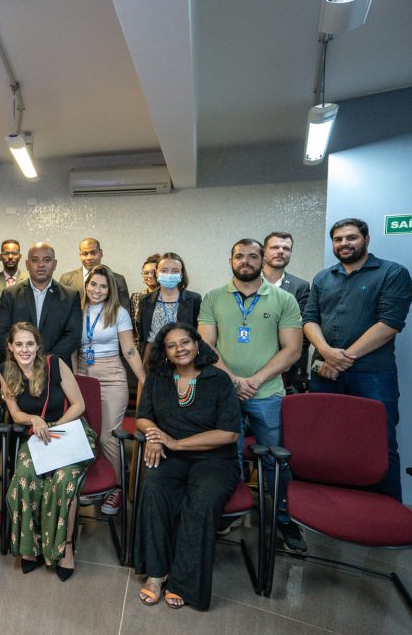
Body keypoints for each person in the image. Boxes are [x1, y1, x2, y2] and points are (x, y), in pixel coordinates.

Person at [198, 239, 304, 550]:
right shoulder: (213, 297)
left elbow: (293, 350)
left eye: (253, 256)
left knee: (274, 459)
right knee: (227, 456)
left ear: (262, 260)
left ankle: (284, 518)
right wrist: (234, 381)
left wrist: (254, 381)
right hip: (225, 394)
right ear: (230, 260)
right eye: (239, 256)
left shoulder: (284, 299)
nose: (246, 261)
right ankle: (233, 511)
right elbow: (205, 345)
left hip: (267, 393)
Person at [302, 217, 412, 501]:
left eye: (351, 237)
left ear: (366, 239)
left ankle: (388, 510)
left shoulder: (392, 273)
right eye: (338, 239)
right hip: (323, 373)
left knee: (379, 442)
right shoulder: (323, 277)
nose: (344, 243)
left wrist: (342, 358)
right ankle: (330, 506)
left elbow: (390, 323)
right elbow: (309, 319)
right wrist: (326, 352)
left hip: (372, 375)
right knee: (325, 440)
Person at [133, 323, 241, 611]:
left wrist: (176, 443)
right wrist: (155, 435)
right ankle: (156, 574)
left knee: (201, 502)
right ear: (165, 352)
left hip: (215, 460)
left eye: (185, 342)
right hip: (170, 455)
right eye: (171, 345)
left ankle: (183, 581)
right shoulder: (157, 379)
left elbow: (229, 434)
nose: (179, 349)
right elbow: (142, 417)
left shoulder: (218, 380)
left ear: (197, 344)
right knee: (153, 489)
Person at [2, 323, 90, 581]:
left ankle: (66, 548)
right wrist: (34, 419)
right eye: (19, 344)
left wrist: (54, 428)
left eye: (30, 344)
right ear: (10, 347)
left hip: (67, 430)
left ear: (38, 346)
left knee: (63, 480)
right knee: (24, 476)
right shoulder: (6, 371)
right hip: (36, 435)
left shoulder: (55, 364)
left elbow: (79, 405)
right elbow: (15, 413)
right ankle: (29, 546)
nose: (24, 350)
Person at [74, 265, 146, 515]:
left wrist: (143, 378)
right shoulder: (77, 310)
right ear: (86, 285)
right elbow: (72, 347)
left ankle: (116, 487)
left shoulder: (119, 312)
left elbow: (129, 349)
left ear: (110, 290)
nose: (97, 290)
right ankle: (95, 482)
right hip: (83, 375)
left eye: (103, 286)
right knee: (87, 434)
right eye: (93, 284)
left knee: (108, 436)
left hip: (112, 376)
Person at [0, 242, 82, 363]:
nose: (41, 264)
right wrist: (22, 357)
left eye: (47, 260)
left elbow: (73, 335)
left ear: (55, 264)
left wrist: (47, 361)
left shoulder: (70, 296)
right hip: (18, 366)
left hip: (56, 367)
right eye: (35, 260)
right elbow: (1, 332)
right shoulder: (10, 295)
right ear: (27, 264)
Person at [262, 232, 312, 392]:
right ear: (264, 251)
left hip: (288, 369)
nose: (280, 251)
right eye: (275, 247)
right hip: (251, 363)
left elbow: (303, 330)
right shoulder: (248, 282)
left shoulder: (301, 286)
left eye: (286, 248)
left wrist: (287, 360)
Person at [135, 252, 201, 359]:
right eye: (164, 270)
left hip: (183, 355)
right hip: (152, 357)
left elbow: (197, 333)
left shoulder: (194, 299)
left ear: (181, 274)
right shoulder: (145, 300)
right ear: (156, 272)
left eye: (175, 271)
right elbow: (142, 333)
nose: (169, 274)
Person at [58, 238, 131, 308]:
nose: (89, 257)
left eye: (93, 253)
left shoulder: (118, 280)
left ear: (101, 253)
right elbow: (60, 308)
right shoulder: (66, 279)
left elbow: (125, 309)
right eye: (85, 254)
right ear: (80, 256)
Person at [130, 254, 161, 352]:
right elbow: (133, 329)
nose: (150, 276)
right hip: (142, 350)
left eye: (153, 272)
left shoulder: (168, 297)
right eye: (146, 273)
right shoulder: (136, 297)